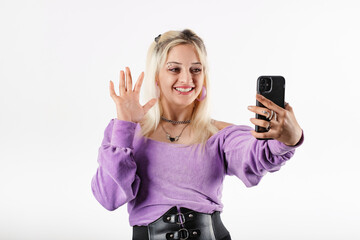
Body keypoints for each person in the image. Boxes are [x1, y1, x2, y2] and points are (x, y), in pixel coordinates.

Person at [91, 29, 304, 240]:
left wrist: (288, 139)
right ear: (156, 76)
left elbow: (257, 154)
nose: (187, 79)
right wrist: (125, 125)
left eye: (196, 70)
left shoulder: (219, 134)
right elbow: (108, 197)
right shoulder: (126, 133)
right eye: (174, 69)